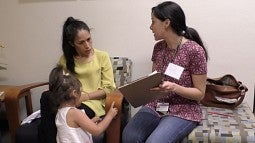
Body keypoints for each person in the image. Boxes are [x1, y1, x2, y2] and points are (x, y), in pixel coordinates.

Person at [122, 1, 208, 143]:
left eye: (153, 22)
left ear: (166, 23)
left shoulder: (194, 51)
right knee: (129, 136)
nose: (150, 27)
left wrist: (174, 87)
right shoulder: (158, 48)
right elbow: (154, 80)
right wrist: (140, 88)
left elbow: (200, 94)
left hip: (183, 109)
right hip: (157, 105)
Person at [48, 65, 118, 143]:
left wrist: (90, 122)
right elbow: (97, 130)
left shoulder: (60, 111)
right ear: (74, 93)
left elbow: (74, 128)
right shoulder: (74, 113)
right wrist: (110, 115)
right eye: (81, 92)